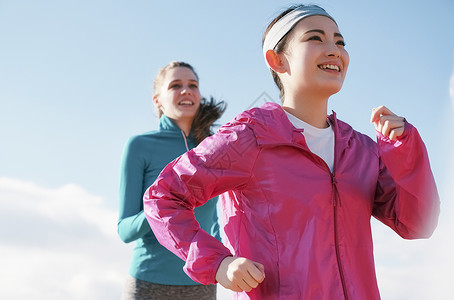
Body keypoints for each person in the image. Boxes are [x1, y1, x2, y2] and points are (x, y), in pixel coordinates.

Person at [143, 5, 440, 300]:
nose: (334, 49)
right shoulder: (249, 137)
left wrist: (405, 149)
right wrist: (217, 262)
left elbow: (417, 224)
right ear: (277, 60)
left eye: (340, 42)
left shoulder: (362, 150)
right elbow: (163, 197)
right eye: (315, 38)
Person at [117, 61, 226, 300]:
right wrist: (163, 203)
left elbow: (214, 220)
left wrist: (222, 263)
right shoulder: (139, 146)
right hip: (148, 282)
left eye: (192, 85)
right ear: (158, 100)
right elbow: (124, 230)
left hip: (202, 282)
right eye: (176, 85)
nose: (186, 90)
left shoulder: (212, 148)